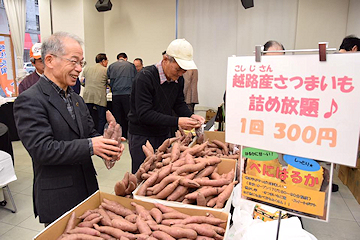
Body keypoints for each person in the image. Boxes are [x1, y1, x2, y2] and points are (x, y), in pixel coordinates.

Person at [13, 32, 124, 225]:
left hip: (87, 189)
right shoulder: (30, 99)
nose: (79, 69)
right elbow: (42, 150)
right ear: (49, 60)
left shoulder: (76, 98)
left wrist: (107, 144)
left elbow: (89, 133)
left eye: (82, 63)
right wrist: (92, 146)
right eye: (73, 62)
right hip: (58, 197)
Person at [128, 38, 205, 174]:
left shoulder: (177, 79)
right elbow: (145, 114)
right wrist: (177, 121)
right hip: (142, 136)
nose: (181, 73)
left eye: (184, 70)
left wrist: (190, 115)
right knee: (142, 175)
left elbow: (178, 103)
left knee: (161, 174)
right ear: (165, 60)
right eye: (178, 69)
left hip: (163, 133)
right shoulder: (145, 78)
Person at [107, 52, 137, 139]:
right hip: (128, 94)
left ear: (117, 59)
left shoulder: (111, 66)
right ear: (126, 58)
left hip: (115, 95)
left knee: (117, 116)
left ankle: (119, 136)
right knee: (129, 115)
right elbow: (135, 79)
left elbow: (108, 80)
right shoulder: (131, 66)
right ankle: (129, 135)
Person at [82, 53, 109, 134]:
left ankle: (89, 134)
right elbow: (108, 82)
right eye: (107, 60)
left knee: (89, 117)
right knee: (101, 118)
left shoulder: (87, 69)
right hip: (99, 96)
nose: (107, 62)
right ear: (103, 61)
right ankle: (99, 135)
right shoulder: (105, 70)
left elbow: (82, 81)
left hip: (87, 96)